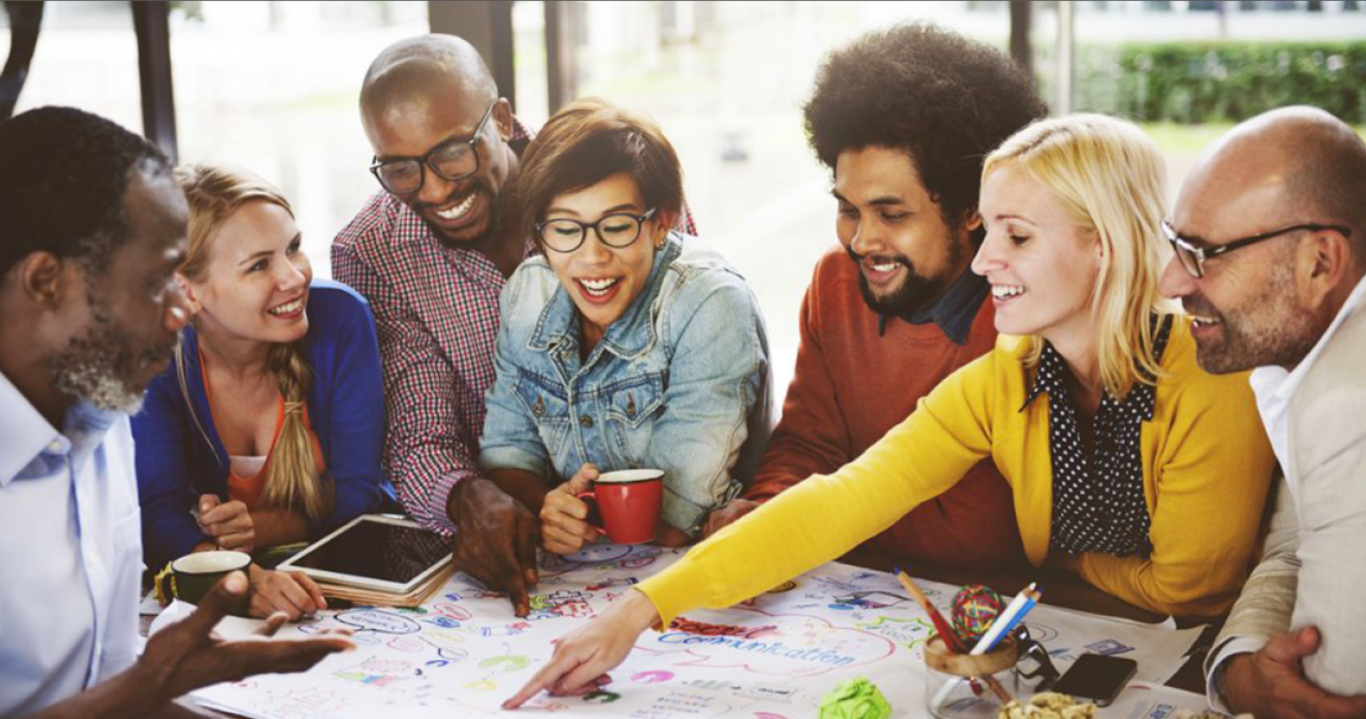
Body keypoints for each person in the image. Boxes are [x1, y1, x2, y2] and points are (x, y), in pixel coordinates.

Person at [504, 113, 1277, 708]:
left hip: (1195, 670)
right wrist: (641, 608)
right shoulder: (1008, 374)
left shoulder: (1209, 370)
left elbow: (1186, 588)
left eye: (1015, 235)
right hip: (1085, 645)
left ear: (1103, 244)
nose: (983, 261)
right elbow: (846, 497)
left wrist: (1058, 564)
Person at [0, 106, 352, 718]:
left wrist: (162, 691)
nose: (182, 310)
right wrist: (149, 684)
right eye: (158, 280)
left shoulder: (102, 423)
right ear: (44, 282)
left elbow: (110, 683)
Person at [333, 35, 696, 617]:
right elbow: (420, 433)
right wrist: (465, 496)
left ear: (500, 119)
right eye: (401, 169)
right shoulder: (374, 250)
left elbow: (696, 352)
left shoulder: (615, 166)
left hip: (668, 523)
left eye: (453, 152)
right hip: (516, 547)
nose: (434, 189)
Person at [702, 22, 1046, 569]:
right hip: (856, 597)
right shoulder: (835, 284)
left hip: (988, 606)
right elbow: (811, 443)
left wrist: (807, 518)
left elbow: (1005, 529)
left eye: (893, 213)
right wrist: (766, 508)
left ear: (971, 208)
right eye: (847, 209)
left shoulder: (1025, 313)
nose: (862, 241)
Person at [479, 99, 772, 554]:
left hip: (693, 569)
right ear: (538, 235)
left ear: (663, 222)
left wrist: (570, 515)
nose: (592, 256)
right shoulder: (526, 295)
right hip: (581, 576)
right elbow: (505, 458)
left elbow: (677, 515)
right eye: (564, 228)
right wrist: (549, 507)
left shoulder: (709, 303)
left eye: (617, 226)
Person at [1162, 107, 1366, 718]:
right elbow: (1296, 541)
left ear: (1320, 264)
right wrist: (1242, 669)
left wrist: (1252, 685)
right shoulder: (1292, 350)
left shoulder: (1347, 401)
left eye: (1204, 253)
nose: (1171, 280)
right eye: (1175, 244)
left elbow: (1324, 696)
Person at [132, 163, 388, 621]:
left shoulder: (342, 318)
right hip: (238, 590)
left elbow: (358, 491)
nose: (295, 277)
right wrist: (242, 580)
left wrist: (258, 529)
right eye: (259, 265)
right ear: (187, 292)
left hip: (346, 577)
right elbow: (156, 515)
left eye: (294, 248)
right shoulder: (154, 356)